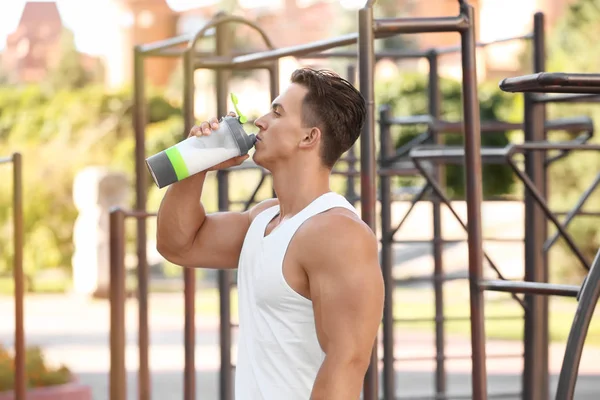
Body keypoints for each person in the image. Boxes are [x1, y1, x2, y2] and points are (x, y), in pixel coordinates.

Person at [156, 67, 384, 400]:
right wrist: (196, 161)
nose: (260, 121)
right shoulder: (263, 219)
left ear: (309, 137)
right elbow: (177, 245)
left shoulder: (337, 232)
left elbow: (347, 361)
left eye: (277, 113)